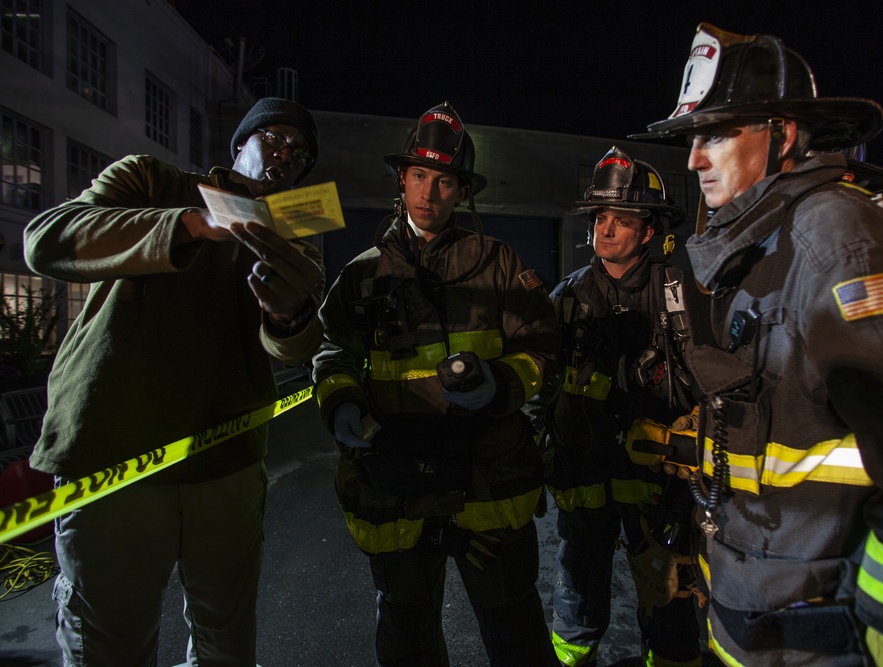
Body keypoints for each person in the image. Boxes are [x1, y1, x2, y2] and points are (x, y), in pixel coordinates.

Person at [629, 23, 883, 666]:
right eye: (693, 137)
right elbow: (791, 432)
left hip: (819, 636)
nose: (694, 159)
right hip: (759, 620)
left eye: (717, 133)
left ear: (784, 134)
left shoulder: (837, 239)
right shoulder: (764, 250)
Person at [23, 97, 325, 666]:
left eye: (300, 153)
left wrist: (291, 315)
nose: (287, 156)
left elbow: (296, 348)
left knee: (225, 643)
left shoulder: (295, 234)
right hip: (113, 455)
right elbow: (47, 239)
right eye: (276, 140)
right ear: (241, 143)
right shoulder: (151, 179)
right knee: (109, 643)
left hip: (226, 463)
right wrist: (194, 223)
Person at [311, 101, 560, 666]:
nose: (430, 192)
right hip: (395, 476)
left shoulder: (500, 266)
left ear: (462, 191)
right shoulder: (361, 275)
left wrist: (499, 384)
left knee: (514, 627)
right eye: (419, 175)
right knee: (407, 634)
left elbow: (543, 345)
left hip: (488, 475)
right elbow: (334, 351)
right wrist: (343, 401)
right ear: (402, 180)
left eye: (444, 180)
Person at [541, 146, 706, 666]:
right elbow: (542, 387)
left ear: (651, 230)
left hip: (659, 485)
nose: (606, 229)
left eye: (624, 219)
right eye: (601, 218)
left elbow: (710, 390)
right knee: (577, 593)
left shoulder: (678, 297)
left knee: (669, 595)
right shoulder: (566, 297)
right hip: (583, 475)